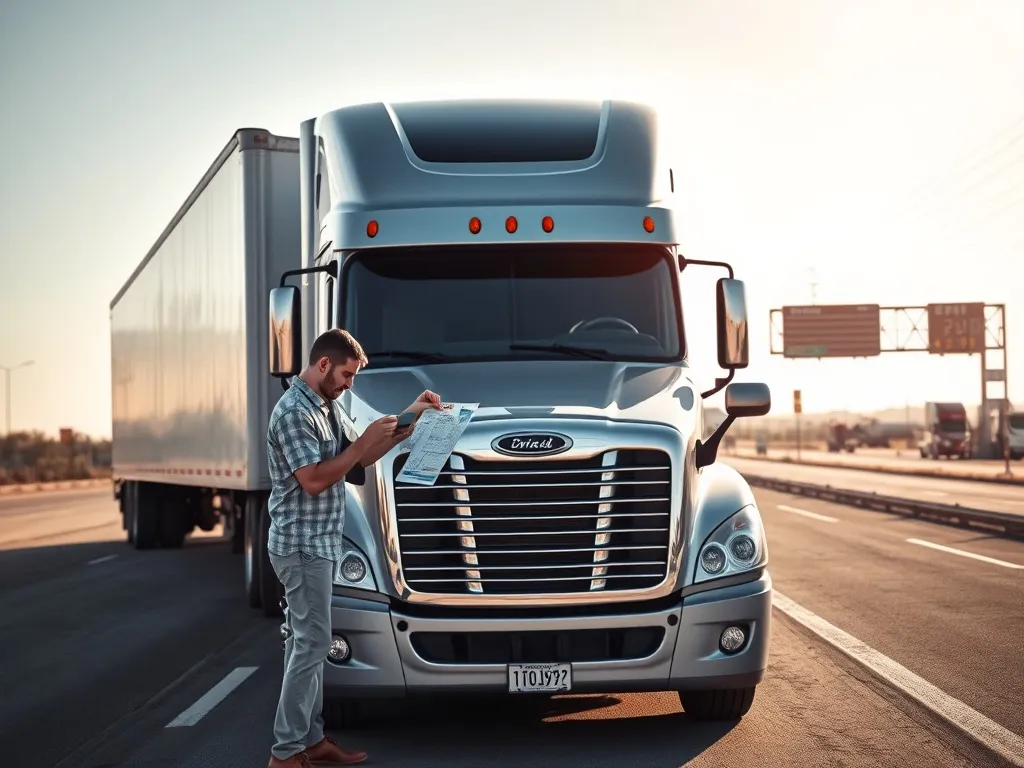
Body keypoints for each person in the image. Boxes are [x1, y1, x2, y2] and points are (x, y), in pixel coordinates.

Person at [265, 328, 442, 767]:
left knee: (302, 643)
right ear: (323, 364)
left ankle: (312, 740)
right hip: (300, 546)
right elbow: (314, 479)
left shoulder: (326, 405)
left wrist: (411, 418)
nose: (350, 385)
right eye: (347, 375)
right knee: (312, 642)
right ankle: (286, 753)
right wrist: (363, 442)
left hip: (319, 544)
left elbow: (358, 456)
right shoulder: (293, 414)